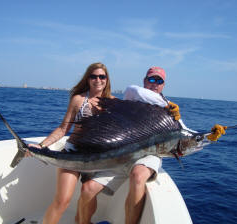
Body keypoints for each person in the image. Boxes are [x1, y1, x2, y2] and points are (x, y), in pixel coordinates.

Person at [76, 66, 226, 224]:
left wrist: (211, 136)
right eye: (151, 79)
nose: (155, 83)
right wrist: (164, 103)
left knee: (138, 176)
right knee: (87, 189)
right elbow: (132, 89)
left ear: (163, 85)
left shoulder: (171, 111)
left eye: (159, 81)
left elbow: (187, 134)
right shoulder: (137, 95)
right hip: (122, 153)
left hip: (150, 155)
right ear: (145, 81)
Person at [29, 62, 115, 224]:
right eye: (93, 76)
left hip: (97, 159)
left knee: (89, 194)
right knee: (62, 201)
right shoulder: (78, 99)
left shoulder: (114, 103)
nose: (98, 80)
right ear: (88, 79)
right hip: (72, 154)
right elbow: (63, 129)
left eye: (102, 76)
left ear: (107, 79)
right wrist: (41, 146)